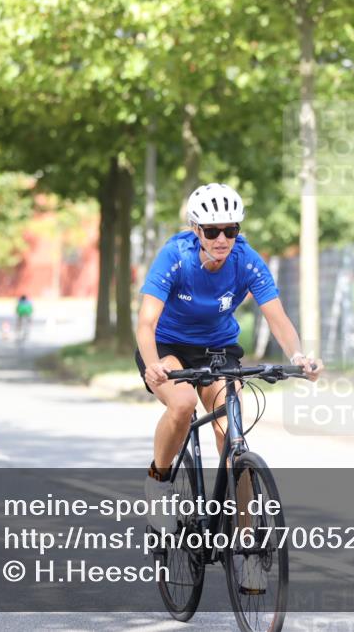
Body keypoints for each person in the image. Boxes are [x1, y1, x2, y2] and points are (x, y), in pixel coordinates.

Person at [135, 183, 322, 591]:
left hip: (218, 349)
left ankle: (246, 546)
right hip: (167, 348)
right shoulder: (175, 256)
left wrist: (298, 357)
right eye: (213, 230)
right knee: (182, 405)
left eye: (231, 230)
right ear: (196, 229)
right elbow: (146, 322)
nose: (222, 239)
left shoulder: (245, 259)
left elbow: (277, 317)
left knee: (232, 433)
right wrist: (152, 367)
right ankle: (159, 480)